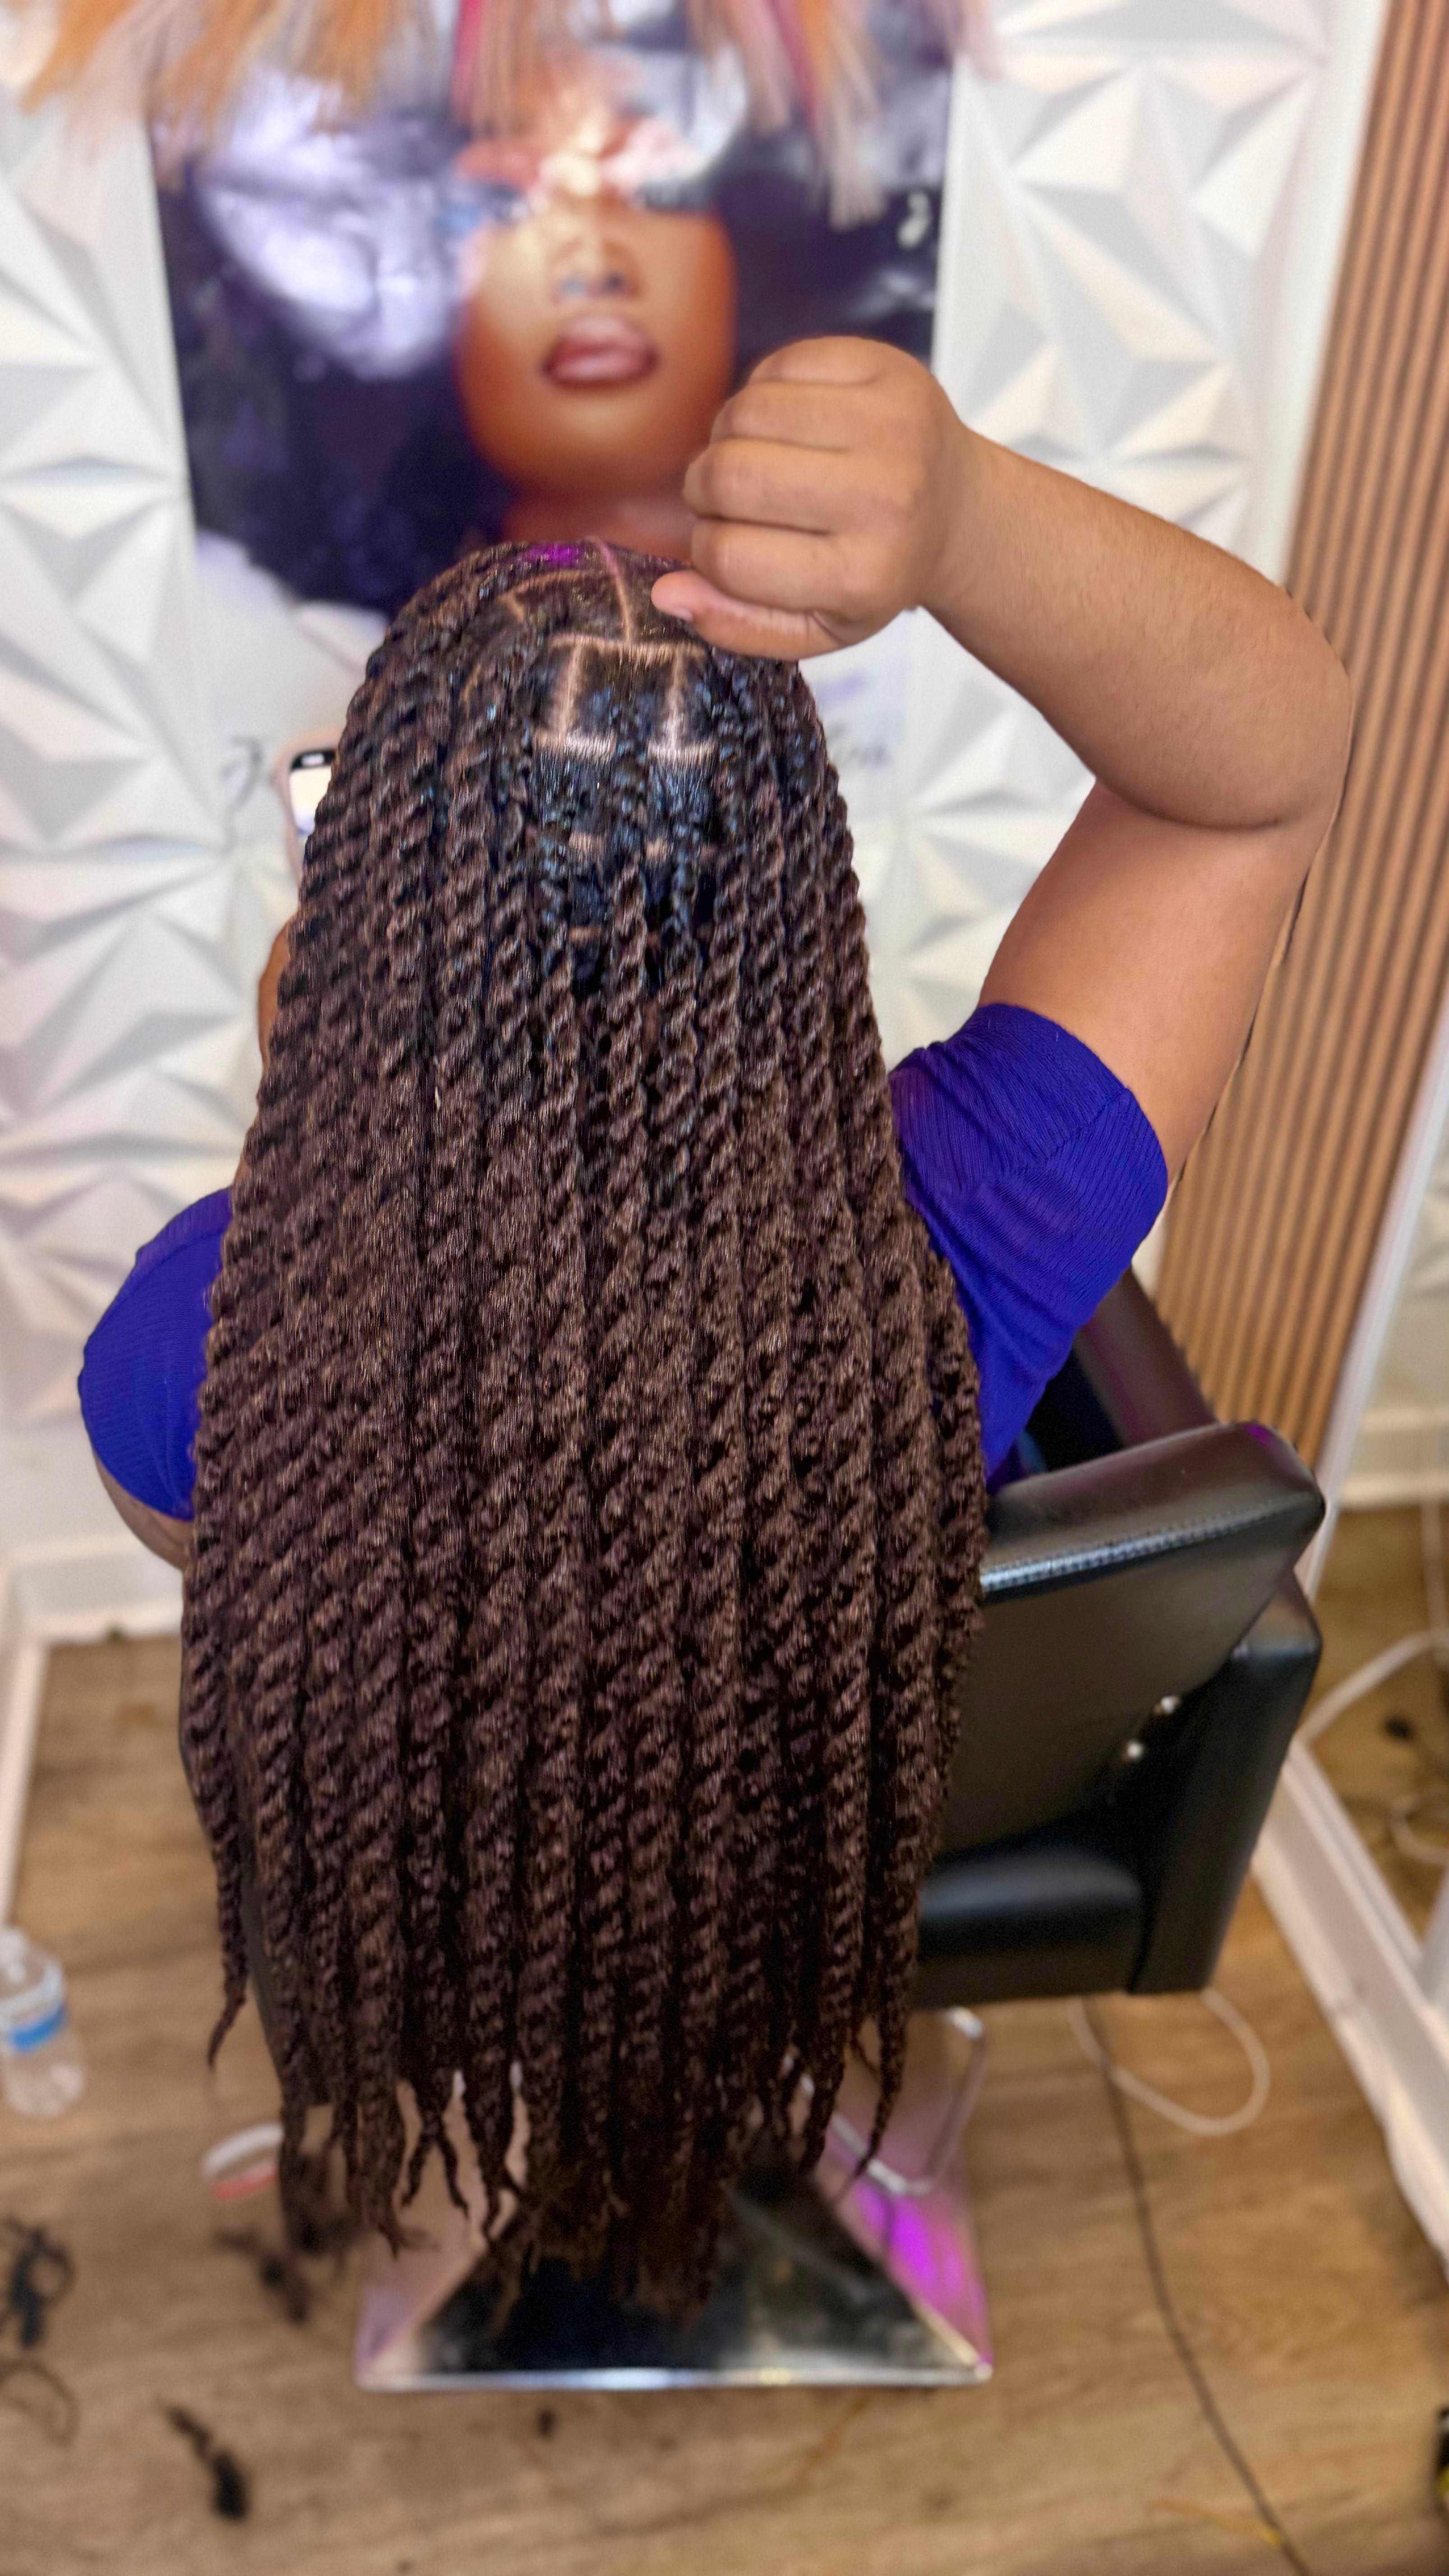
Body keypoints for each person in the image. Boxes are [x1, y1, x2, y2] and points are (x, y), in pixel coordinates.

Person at [78, 346, 1350, 2289]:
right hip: (788, 1881)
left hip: (448, 1913)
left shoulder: (195, 1342)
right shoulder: (966, 1228)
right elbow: (1258, 774)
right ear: (790, 903)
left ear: (377, 932)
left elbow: (260, 1555)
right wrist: (969, 520)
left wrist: (339, 1119)